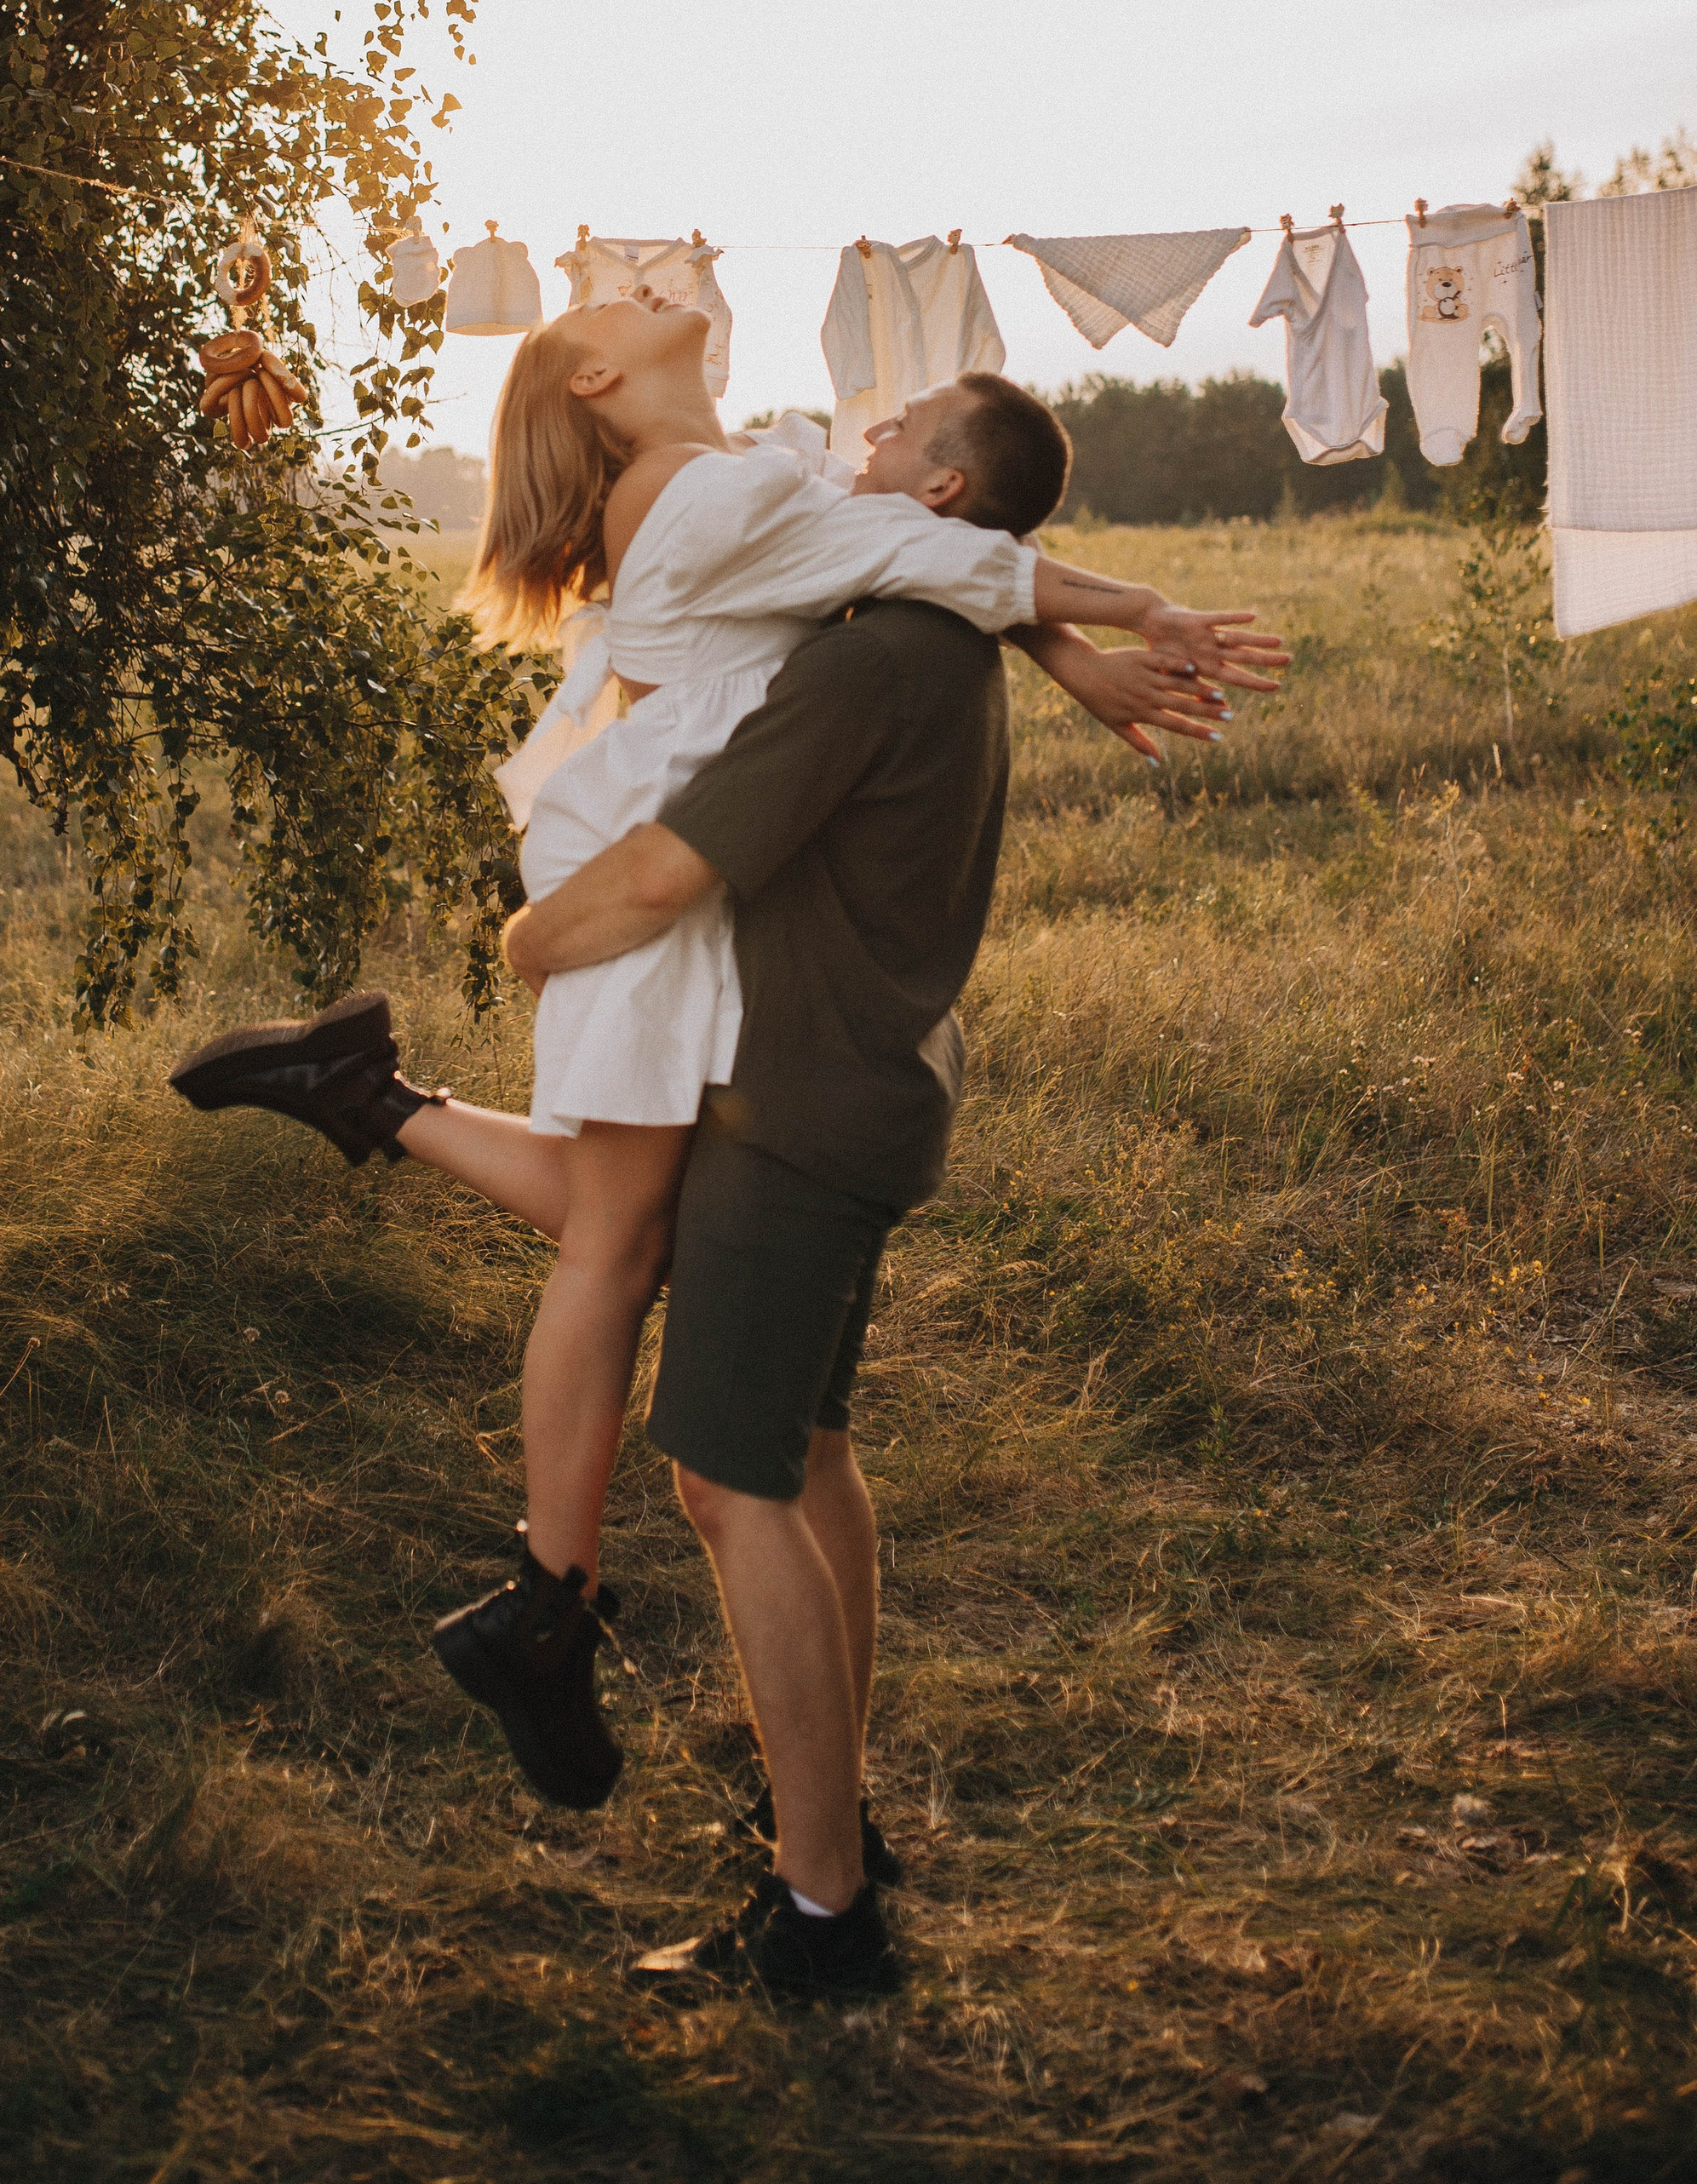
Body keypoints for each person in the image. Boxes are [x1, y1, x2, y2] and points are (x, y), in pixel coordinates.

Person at [173, 300, 1283, 1819]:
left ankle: (363, 1095)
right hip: (654, 872)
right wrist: (1117, 621)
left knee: (622, 1217)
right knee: (619, 1246)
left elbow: (917, 543)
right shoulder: (697, 494)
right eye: (615, 302)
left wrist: (1071, 646)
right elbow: (928, 547)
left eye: (905, 434)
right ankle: (547, 1601)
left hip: (687, 879)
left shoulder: (743, 481)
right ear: (600, 379)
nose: (649, 279)